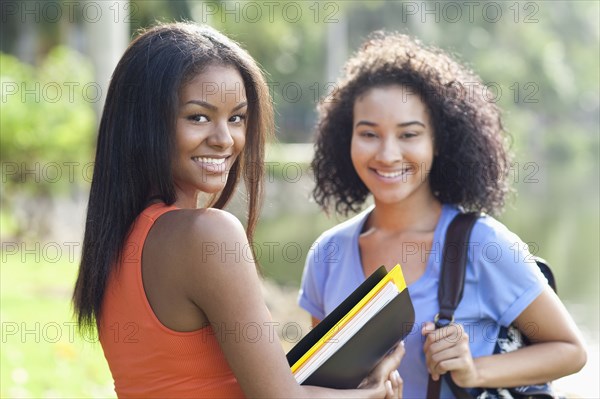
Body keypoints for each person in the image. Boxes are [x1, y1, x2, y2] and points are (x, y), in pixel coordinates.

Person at [72, 22, 405, 399]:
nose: (225, 139)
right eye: (198, 116)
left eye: (237, 118)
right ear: (145, 121)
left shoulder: (118, 240)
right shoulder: (205, 235)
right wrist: (374, 391)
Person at [299, 31, 587, 399]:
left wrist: (473, 370)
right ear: (345, 139)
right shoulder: (327, 253)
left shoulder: (484, 244)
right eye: (369, 134)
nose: (387, 154)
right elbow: (317, 383)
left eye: (409, 134)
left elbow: (570, 350)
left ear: (439, 142)